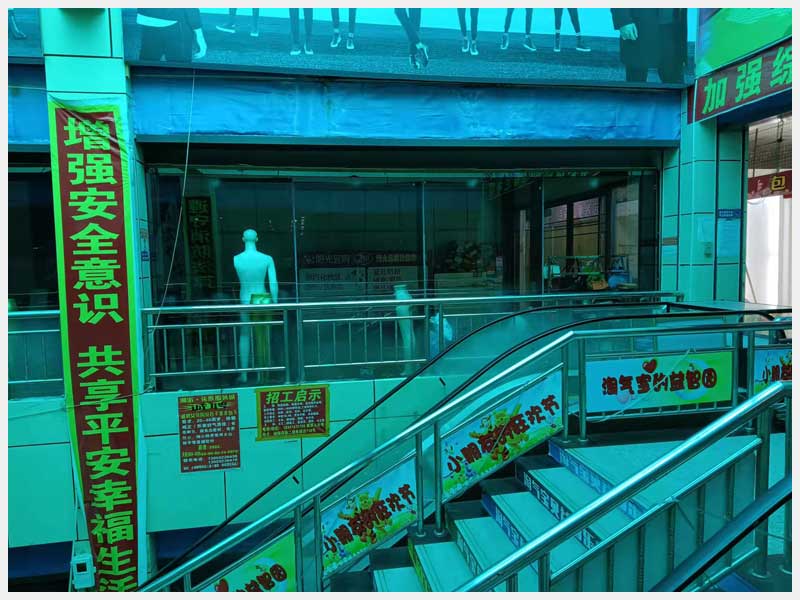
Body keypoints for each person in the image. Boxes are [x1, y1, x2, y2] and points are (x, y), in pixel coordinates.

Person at [610, 8, 687, 83]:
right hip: (639, 22)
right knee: (636, 78)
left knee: (674, 78)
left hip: (673, 23)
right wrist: (623, 20)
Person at [137, 8, 207, 62]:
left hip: (147, 20)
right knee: (180, 68)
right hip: (174, 22)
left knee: (147, 65)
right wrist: (199, 36)